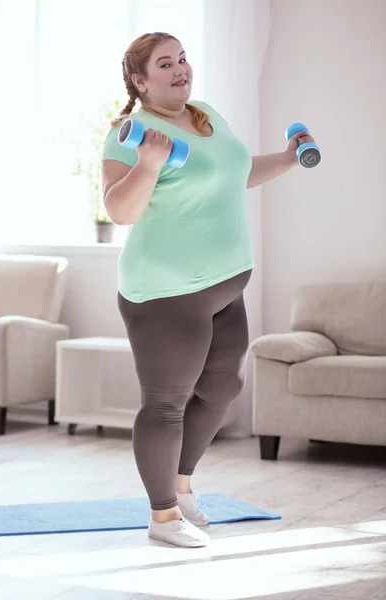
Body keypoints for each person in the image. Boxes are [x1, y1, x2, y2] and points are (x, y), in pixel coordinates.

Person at [101, 32, 315, 548]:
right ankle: (164, 518)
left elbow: (230, 175)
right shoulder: (130, 134)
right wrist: (149, 164)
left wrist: (286, 159)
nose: (180, 69)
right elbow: (119, 211)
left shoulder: (205, 115)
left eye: (182, 59)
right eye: (165, 64)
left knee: (222, 388)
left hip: (226, 282)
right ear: (140, 80)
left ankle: (181, 485)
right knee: (165, 405)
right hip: (166, 291)